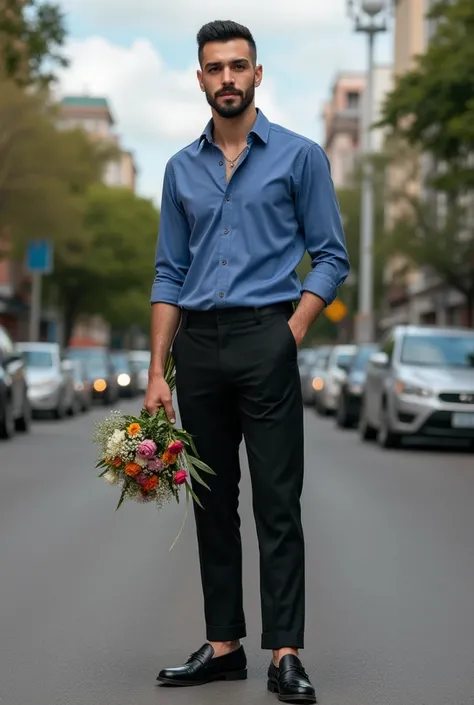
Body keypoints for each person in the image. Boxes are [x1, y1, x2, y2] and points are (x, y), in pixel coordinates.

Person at [145, 19, 349, 704]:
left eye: (239, 66)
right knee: (211, 499)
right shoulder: (179, 168)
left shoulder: (300, 158)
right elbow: (169, 273)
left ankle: (285, 651)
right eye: (214, 67)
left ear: (257, 74)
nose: (227, 77)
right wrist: (155, 372)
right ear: (200, 78)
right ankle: (225, 643)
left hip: (267, 334)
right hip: (197, 347)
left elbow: (332, 256)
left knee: (277, 501)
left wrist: (288, 332)